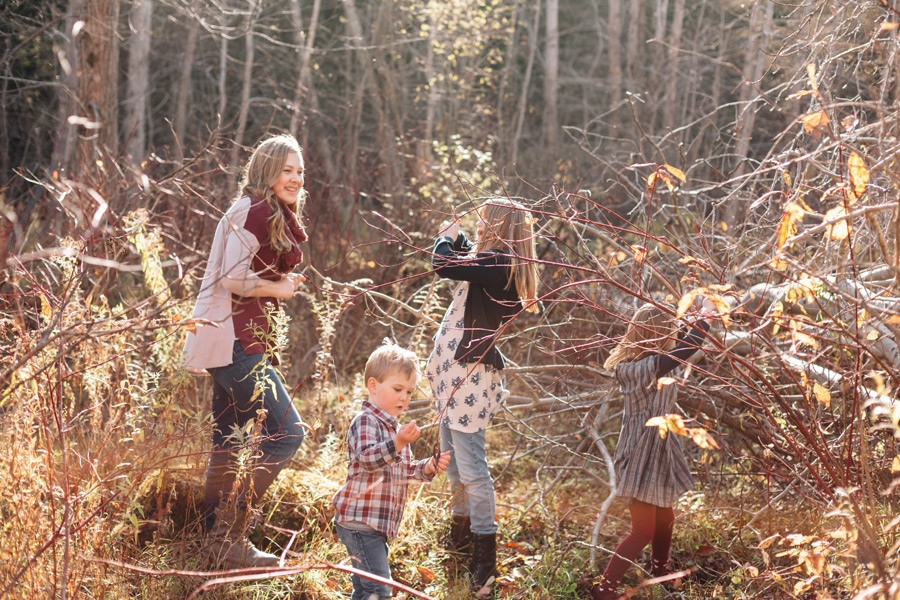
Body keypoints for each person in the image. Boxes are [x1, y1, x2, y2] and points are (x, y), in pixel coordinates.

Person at [182, 134, 309, 568]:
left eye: (299, 172)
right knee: (289, 434)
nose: (294, 179)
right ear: (266, 172)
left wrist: (279, 285)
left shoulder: (264, 212)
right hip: (235, 343)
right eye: (286, 170)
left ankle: (213, 548)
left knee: (227, 445)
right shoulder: (253, 211)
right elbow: (233, 280)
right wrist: (282, 289)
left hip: (233, 341)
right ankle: (231, 535)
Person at [425, 197, 539, 591]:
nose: (477, 226)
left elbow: (444, 265)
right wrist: (455, 241)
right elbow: (462, 262)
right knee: (453, 464)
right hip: (453, 378)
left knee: (472, 470)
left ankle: (484, 560)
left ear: (497, 226)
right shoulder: (492, 264)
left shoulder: (501, 265)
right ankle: (460, 539)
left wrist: (444, 239)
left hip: (468, 381)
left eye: (482, 221)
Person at [588, 299, 714, 599]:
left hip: (659, 450)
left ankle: (660, 572)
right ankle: (604, 590)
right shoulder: (637, 369)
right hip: (639, 454)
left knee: (666, 516)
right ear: (658, 335)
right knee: (642, 529)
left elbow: (678, 348)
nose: (675, 335)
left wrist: (693, 317)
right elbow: (683, 350)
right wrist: (704, 320)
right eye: (669, 330)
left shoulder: (655, 360)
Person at [332, 342, 452, 600]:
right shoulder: (366, 421)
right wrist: (397, 443)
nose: (405, 397)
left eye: (409, 392)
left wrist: (428, 467)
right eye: (398, 389)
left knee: (366, 588)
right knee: (379, 588)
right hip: (359, 522)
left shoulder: (393, 430)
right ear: (373, 386)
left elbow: (404, 471)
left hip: (375, 524)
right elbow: (366, 459)